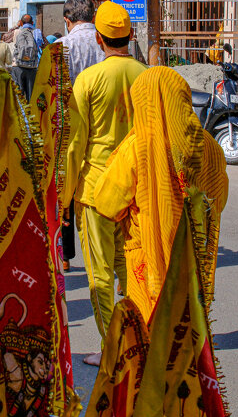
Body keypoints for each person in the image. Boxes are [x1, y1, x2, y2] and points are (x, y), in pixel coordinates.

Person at [94, 66, 229, 324]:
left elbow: (106, 203)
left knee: (152, 339)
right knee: (188, 336)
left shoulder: (137, 147)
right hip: (193, 259)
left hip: (149, 263)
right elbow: (218, 199)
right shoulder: (210, 146)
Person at [62, 1, 146, 365]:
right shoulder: (146, 75)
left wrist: (65, 196)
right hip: (137, 189)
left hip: (96, 189)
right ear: (130, 35)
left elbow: (75, 143)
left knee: (99, 272)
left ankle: (112, 348)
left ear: (99, 38)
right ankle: (136, 337)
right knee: (130, 266)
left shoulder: (89, 80)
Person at [56, 0, 105, 272]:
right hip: (103, 126)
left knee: (65, 193)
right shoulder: (105, 43)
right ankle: (110, 257)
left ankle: (65, 256)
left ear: (67, 20)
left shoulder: (62, 47)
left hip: (70, 130)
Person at [12, 14, 40, 100]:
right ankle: (30, 112)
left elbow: (5, 37)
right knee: (31, 95)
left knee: (18, 95)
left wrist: (16, 26)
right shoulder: (37, 33)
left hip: (18, 66)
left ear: (21, 23)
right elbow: (44, 45)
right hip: (32, 67)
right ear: (32, 23)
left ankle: (20, 113)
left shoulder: (16, 32)